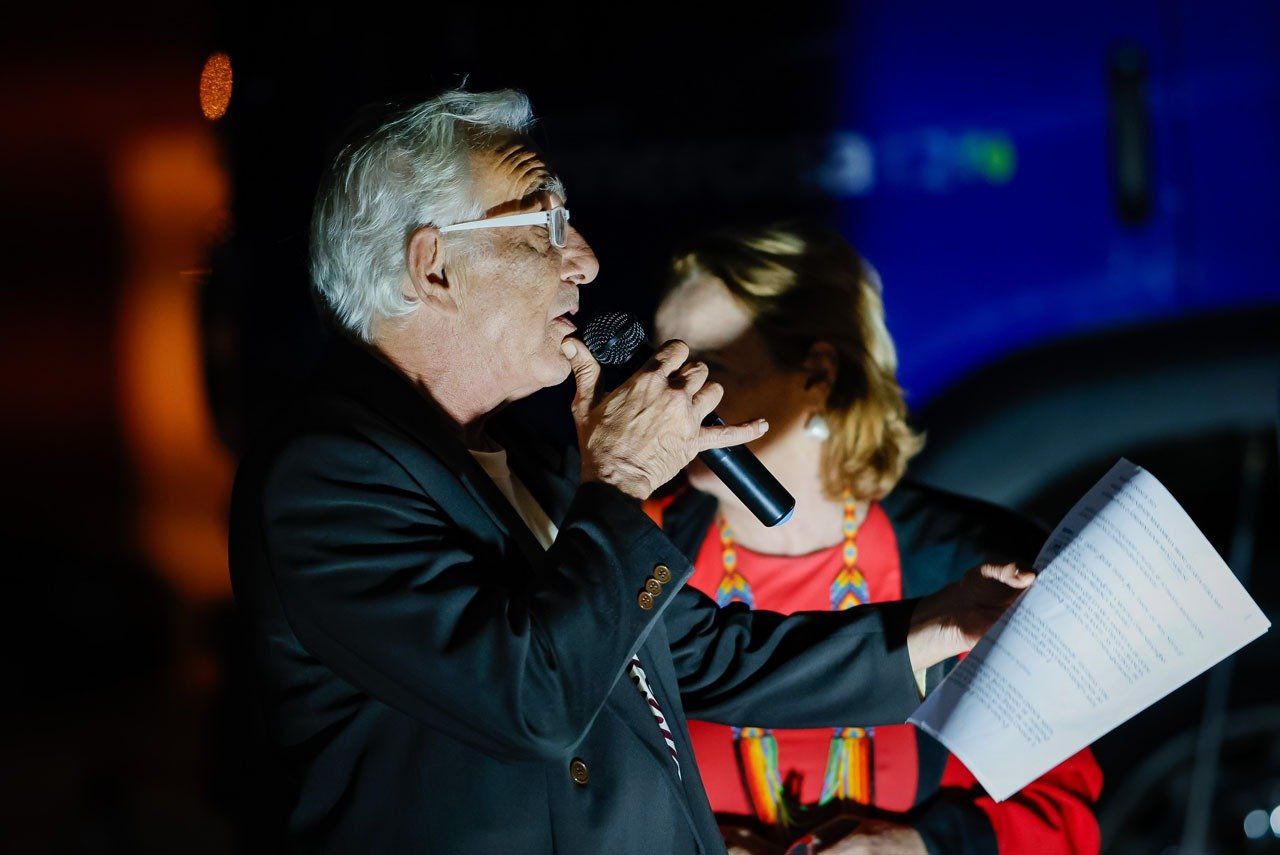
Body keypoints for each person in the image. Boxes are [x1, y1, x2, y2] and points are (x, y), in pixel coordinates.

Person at [228, 88, 1037, 853]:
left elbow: (703, 652)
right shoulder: (327, 475)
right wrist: (616, 480)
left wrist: (929, 626)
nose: (583, 259)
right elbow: (534, 698)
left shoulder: (521, 459)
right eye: (545, 220)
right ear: (433, 266)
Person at [649, 221, 1103, 854]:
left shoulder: (973, 562)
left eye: (708, 370)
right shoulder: (633, 551)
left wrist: (915, 846)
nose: (670, 400)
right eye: (660, 368)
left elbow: (1060, 814)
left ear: (818, 374)